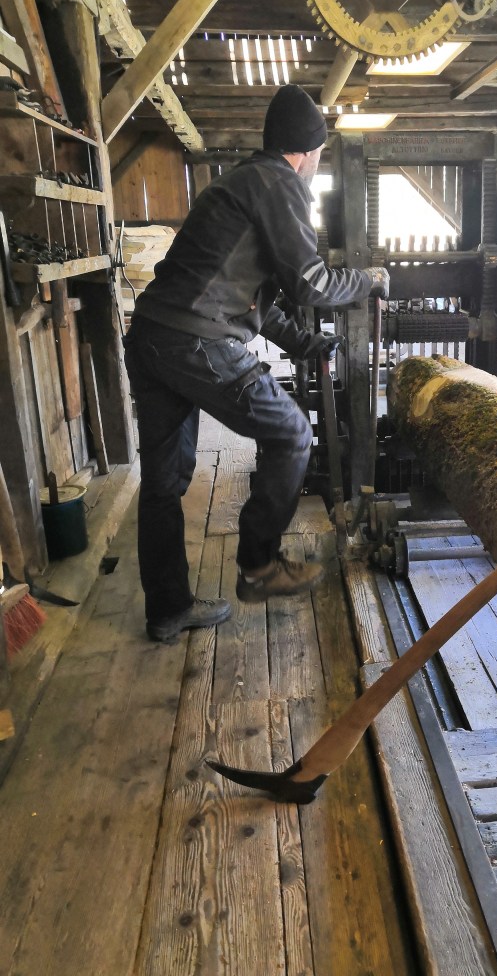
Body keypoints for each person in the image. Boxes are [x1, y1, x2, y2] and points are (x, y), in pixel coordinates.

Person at [123, 84, 389, 644]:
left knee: (164, 483)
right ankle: (258, 566)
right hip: (195, 341)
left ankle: (168, 609)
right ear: (308, 151)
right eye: (320, 154)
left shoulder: (241, 183)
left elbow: (248, 301)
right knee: (292, 434)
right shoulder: (280, 183)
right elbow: (310, 283)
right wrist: (369, 280)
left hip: (153, 336)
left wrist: (304, 345)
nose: (318, 164)